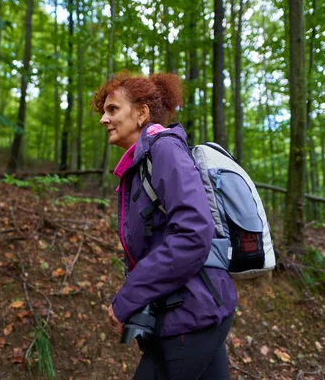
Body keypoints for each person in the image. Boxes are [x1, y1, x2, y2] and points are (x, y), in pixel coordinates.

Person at [91, 71, 237, 379]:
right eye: (104, 111)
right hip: (192, 311)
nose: (104, 119)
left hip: (191, 314)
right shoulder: (142, 163)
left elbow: (193, 234)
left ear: (141, 113)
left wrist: (128, 298)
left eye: (113, 109)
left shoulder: (164, 149)